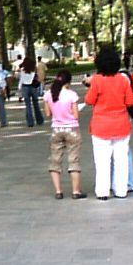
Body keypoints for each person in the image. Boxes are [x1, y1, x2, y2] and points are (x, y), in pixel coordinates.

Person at [85, 46, 133, 200]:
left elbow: (89, 100)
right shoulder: (123, 80)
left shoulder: (97, 80)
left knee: (102, 161)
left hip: (101, 126)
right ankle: (121, 190)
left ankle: (102, 191)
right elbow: (130, 101)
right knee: (121, 160)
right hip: (121, 125)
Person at [43, 69, 85, 199]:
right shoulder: (71, 95)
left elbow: (48, 114)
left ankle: (58, 191)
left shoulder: (48, 94)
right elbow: (76, 115)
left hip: (56, 129)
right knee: (73, 160)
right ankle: (76, 191)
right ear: (68, 82)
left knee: (55, 160)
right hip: (71, 129)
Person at [18, 55, 44, 127]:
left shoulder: (22, 71)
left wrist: (19, 89)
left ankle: (30, 122)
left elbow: (21, 80)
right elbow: (37, 78)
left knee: (28, 105)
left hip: (25, 87)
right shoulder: (33, 70)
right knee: (36, 104)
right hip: (33, 87)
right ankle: (39, 120)